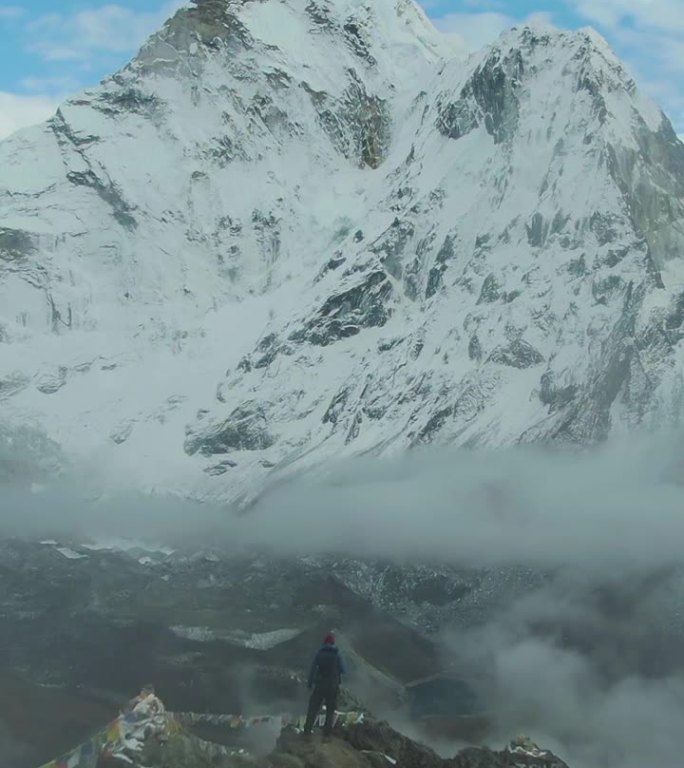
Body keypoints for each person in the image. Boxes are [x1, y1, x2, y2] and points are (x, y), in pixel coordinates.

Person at [303, 632, 346, 739]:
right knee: (330, 711)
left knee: (313, 708)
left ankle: (307, 732)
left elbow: (312, 670)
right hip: (332, 686)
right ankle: (326, 735)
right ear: (333, 643)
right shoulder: (337, 655)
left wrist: (309, 684)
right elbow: (344, 670)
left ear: (324, 643)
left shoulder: (319, 654)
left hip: (319, 685)